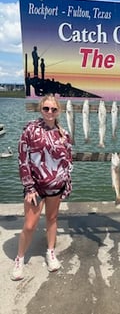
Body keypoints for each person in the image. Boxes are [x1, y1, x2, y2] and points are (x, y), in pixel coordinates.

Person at [11, 94, 73, 281]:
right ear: (41, 109)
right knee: (30, 225)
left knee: (52, 219)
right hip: (36, 186)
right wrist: (29, 187)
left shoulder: (63, 134)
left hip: (56, 185)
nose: (50, 112)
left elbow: (67, 161)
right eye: (46, 108)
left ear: (58, 111)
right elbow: (23, 160)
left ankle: (51, 251)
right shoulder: (30, 130)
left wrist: (67, 183)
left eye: (53, 109)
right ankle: (19, 258)